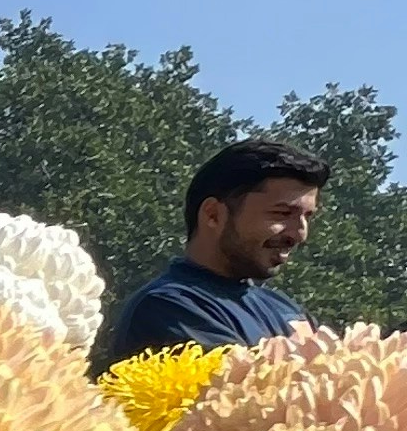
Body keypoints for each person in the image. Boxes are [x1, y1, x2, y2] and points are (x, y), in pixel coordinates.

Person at [96, 139, 327, 364]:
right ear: (213, 215)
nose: (299, 234)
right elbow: (237, 397)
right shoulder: (168, 308)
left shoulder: (282, 306)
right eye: (282, 213)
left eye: (308, 217)